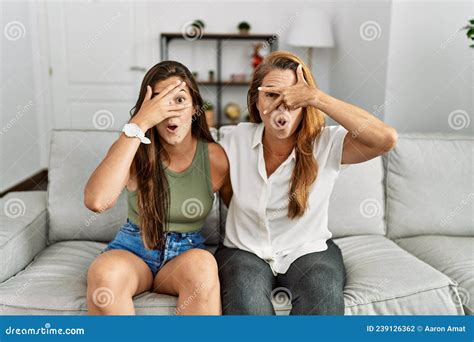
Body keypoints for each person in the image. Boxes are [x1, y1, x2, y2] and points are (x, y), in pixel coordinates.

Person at [216, 51, 398, 315]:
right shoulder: (234, 139)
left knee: (322, 292)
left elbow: (386, 139)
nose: (283, 106)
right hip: (244, 251)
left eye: (294, 97)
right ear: (256, 102)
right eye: (271, 95)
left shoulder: (326, 142)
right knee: (246, 297)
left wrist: (317, 97)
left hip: (308, 250)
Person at [84, 61, 231, 315]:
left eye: (179, 100)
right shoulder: (133, 148)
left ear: (195, 107)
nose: (170, 112)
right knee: (104, 274)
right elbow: (96, 201)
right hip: (133, 249)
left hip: (184, 256)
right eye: (161, 102)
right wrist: (139, 123)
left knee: (204, 267)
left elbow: (245, 210)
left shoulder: (214, 158)